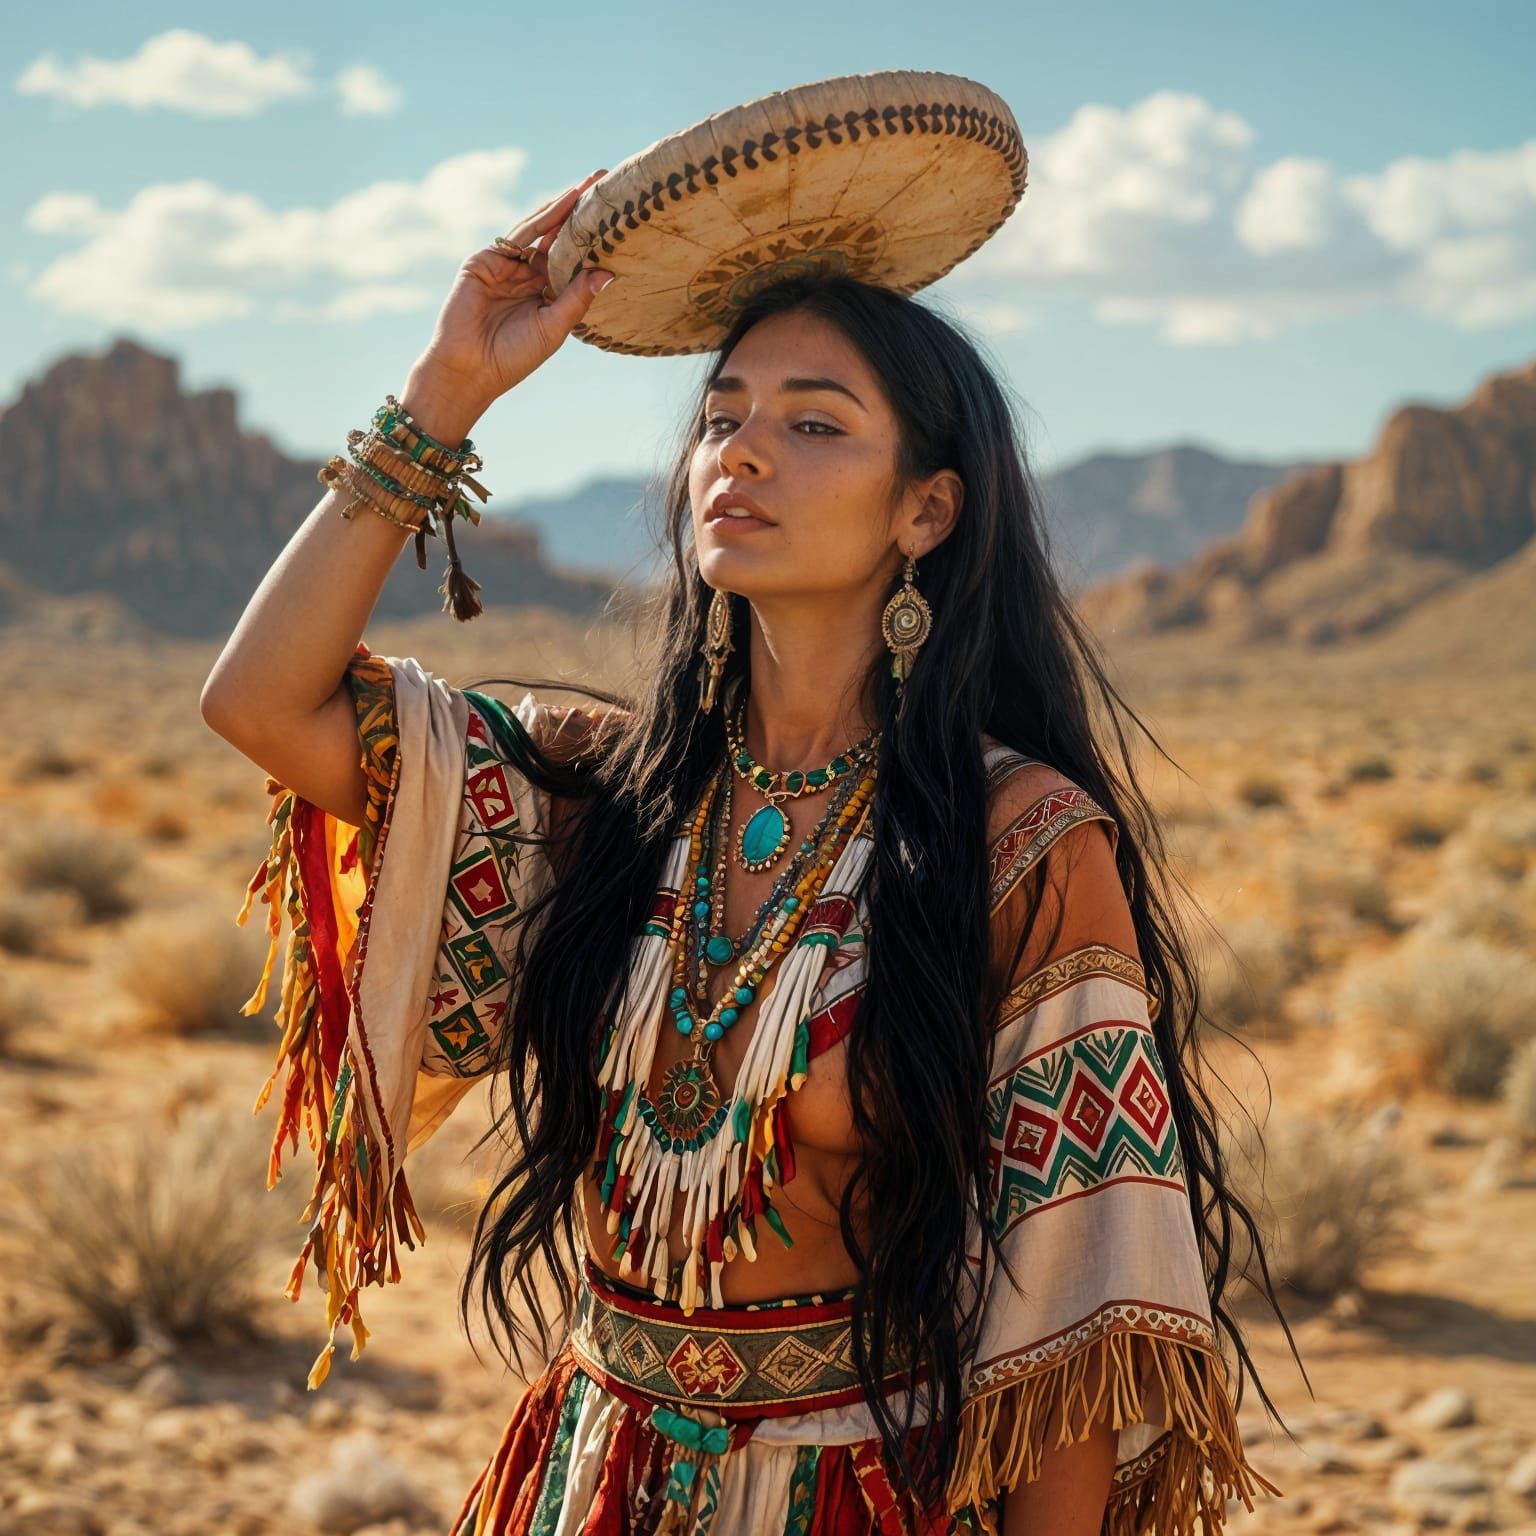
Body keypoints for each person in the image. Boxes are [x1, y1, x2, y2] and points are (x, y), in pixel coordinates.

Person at [203, 170, 1296, 1535]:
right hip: (588, 1477)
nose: (744, 452)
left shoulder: (1020, 842)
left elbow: (1068, 1323)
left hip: (864, 1495)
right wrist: (447, 389)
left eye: (813, 423)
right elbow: (259, 701)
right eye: (721, 418)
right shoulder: (610, 793)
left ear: (927, 513)